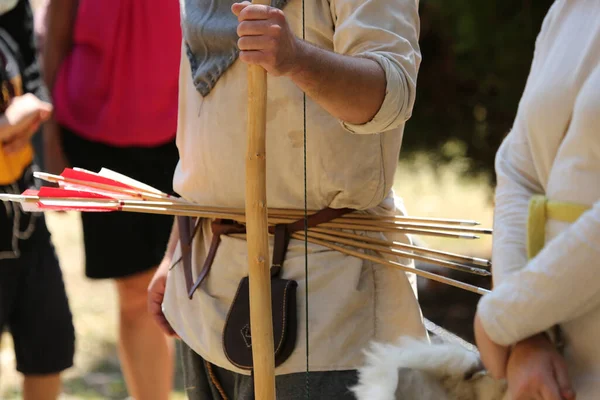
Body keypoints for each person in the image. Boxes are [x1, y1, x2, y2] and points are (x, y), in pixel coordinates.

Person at [148, 0, 425, 398]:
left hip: (327, 299)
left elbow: (392, 94)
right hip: (206, 285)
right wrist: (178, 247)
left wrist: (297, 59)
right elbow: (209, 125)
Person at [41, 1, 182, 398]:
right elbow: (58, 24)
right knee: (137, 292)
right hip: (96, 132)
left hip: (187, 125)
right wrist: (50, 138)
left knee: (204, 283)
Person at [474, 1, 600, 399]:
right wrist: (527, 336)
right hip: (556, 376)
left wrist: (505, 318)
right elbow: (518, 169)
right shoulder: (569, 9)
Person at [0, 1, 75, 399]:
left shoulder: (11, 9)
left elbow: (32, 77)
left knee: (49, 347)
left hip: (22, 216)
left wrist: (29, 110)